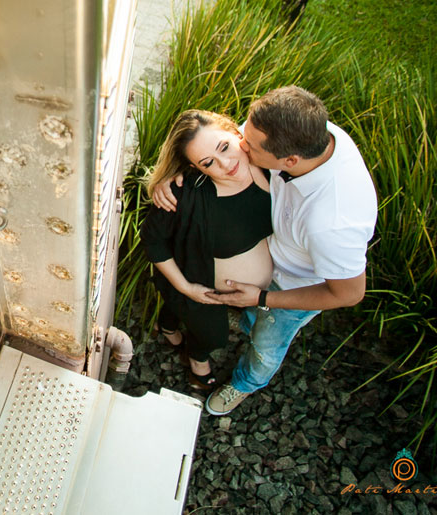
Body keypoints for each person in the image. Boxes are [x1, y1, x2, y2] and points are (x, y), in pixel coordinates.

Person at [151, 86, 377, 416]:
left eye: (250, 147)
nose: (242, 146)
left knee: (267, 344)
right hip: (271, 262)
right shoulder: (302, 131)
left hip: (296, 286)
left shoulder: (333, 222)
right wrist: (176, 171)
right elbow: (221, 142)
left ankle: (246, 383)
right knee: (250, 321)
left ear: (289, 161)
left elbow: (349, 293)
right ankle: (247, 321)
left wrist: (262, 298)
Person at [141, 110, 273, 392]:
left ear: (236, 133)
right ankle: (196, 360)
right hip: (202, 288)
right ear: (195, 168)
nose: (225, 164)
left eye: (224, 147)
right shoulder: (184, 192)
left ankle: (167, 324)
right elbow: (152, 239)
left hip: (245, 294)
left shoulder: (269, 166)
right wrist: (186, 288)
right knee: (213, 337)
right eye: (207, 162)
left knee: (181, 314)